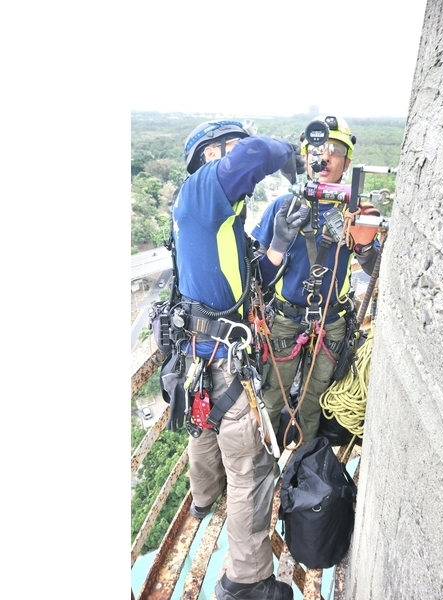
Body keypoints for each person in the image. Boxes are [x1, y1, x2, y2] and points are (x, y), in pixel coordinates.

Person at [163, 119, 304, 600]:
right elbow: (254, 154)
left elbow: (249, 282)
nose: (238, 156)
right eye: (230, 149)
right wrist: (289, 156)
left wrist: (279, 243)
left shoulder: (216, 220)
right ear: (212, 155)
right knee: (252, 470)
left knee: (202, 432)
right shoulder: (202, 192)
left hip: (197, 358)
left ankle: (202, 499)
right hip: (221, 360)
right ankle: (245, 581)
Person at [251, 114, 380, 447]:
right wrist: (278, 242)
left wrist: (364, 245)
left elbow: (375, 269)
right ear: (306, 157)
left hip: (332, 320)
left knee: (313, 402)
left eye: (334, 150)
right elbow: (255, 269)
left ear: (347, 161)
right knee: (272, 396)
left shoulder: (357, 212)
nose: (324, 157)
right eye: (317, 149)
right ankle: (265, 463)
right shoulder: (283, 206)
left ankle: (302, 470)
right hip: (285, 318)